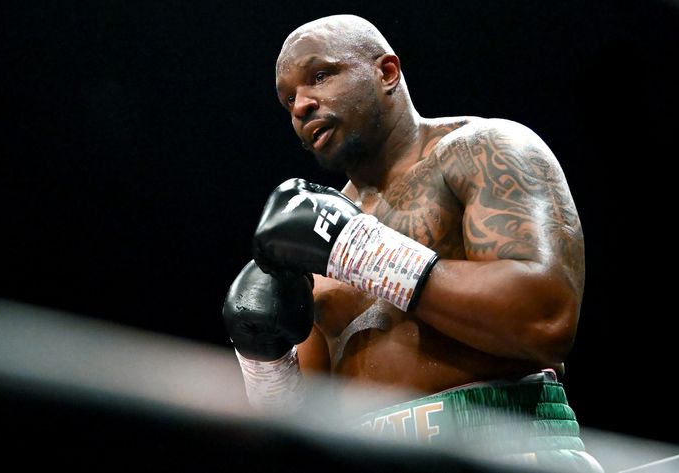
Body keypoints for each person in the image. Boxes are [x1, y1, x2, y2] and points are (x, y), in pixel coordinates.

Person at [222, 14, 602, 472]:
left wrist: (362, 251)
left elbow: (545, 319)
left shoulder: (484, 150)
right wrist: (264, 361)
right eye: (287, 101)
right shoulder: (312, 238)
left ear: (386, 72)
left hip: (503, 446)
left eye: (320, 75)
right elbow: (301, 428)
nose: (301, 105)